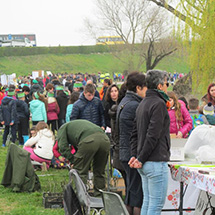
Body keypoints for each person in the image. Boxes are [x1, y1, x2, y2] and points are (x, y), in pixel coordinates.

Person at [129, 69, 171, 215]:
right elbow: (153, 135)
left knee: (148, 202)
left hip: (145, 161)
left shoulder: (143, 103)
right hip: (155, 161)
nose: (168, 86)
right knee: (155, 204)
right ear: (160, 86)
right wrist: (139, 157)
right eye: (167, 83)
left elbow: (134, 134)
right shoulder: (158, 104)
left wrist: (136, 156)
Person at [117, 71, 147, 215]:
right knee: (137, 197)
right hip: (132, 154)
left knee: (130, 194)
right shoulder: (135, 105)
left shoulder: (124, 101)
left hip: (124, 152)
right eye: (145, 87)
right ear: (138, 88)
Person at [57, 120, 110, 196]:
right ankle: (100, 197)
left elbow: (62, 147)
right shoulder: (77, 126)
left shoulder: (62, 128)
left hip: (88, 140)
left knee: (79, 172)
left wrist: (73, 160)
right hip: (105, 140)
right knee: (99, 171)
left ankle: (80, 198)